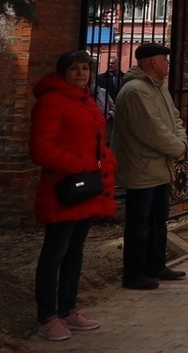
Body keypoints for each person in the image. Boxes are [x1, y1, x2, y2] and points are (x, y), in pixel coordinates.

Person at [30, 50, 119, 341]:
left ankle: (68, 308)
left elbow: (96, 141)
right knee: (54, 253)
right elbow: (41, 149)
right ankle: (47, 316)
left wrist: (107, 160)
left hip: (87, 188)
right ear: (62, 72)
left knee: (75, 251)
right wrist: (80, 167)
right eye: (74, 69)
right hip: (65, 189)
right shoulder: (52, 102)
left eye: (85, 68)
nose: (81, 74)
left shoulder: (86, 100)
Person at [112, 42, 188, 290]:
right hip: (142, 166)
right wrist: (177, 147)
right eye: (164, 60)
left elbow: (174, 118)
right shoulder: (135, 91)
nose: (167, 64)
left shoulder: (158, 87)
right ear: (153, 62)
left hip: (158, 167)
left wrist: (181, 140)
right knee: (139, 223)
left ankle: (156, 264)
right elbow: (151, 130)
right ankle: (134, 272)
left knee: (158, 220)